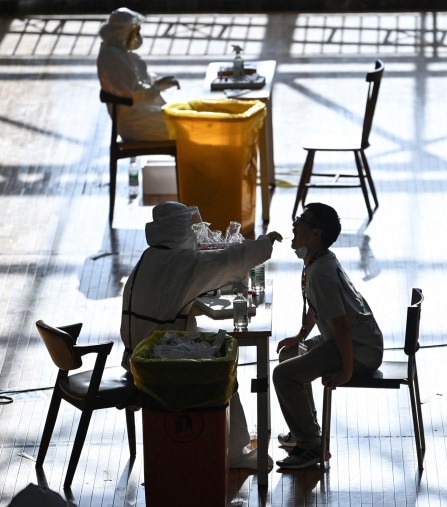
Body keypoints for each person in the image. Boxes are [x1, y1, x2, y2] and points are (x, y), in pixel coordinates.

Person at [121, 201, 283, 469]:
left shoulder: (149, 257)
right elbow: (226, 261)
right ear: (179, 230)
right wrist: (264, 243)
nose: (194, 232)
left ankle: (226, 443)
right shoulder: (180, 262)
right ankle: (233, 453)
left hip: (135, 356)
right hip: (158, 364)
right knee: (224, 371)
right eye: (188, 227)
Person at [273, 202, 384, 469]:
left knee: (283, 375)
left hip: (358, 351)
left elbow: (342, 327)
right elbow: (319, 307)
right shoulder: (319, 260)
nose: (294, 224)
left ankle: (311, 447)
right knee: (289, 353)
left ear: (315, 234)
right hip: (346, 341)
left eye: (301, 220)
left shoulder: (320, 273)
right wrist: (300, 336)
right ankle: (306, 430)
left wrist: (346, 371)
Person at [97, 8, 180, 141]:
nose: (138, 37)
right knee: (189, 128)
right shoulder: (112, 57)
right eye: (136, 32)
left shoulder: (120, 53)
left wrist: (157, 82)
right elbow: (133, 93)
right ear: (123, 33)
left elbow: (139, 79)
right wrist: (156, 88)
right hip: (135, 123)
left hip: (141, 114)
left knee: (189, 119)